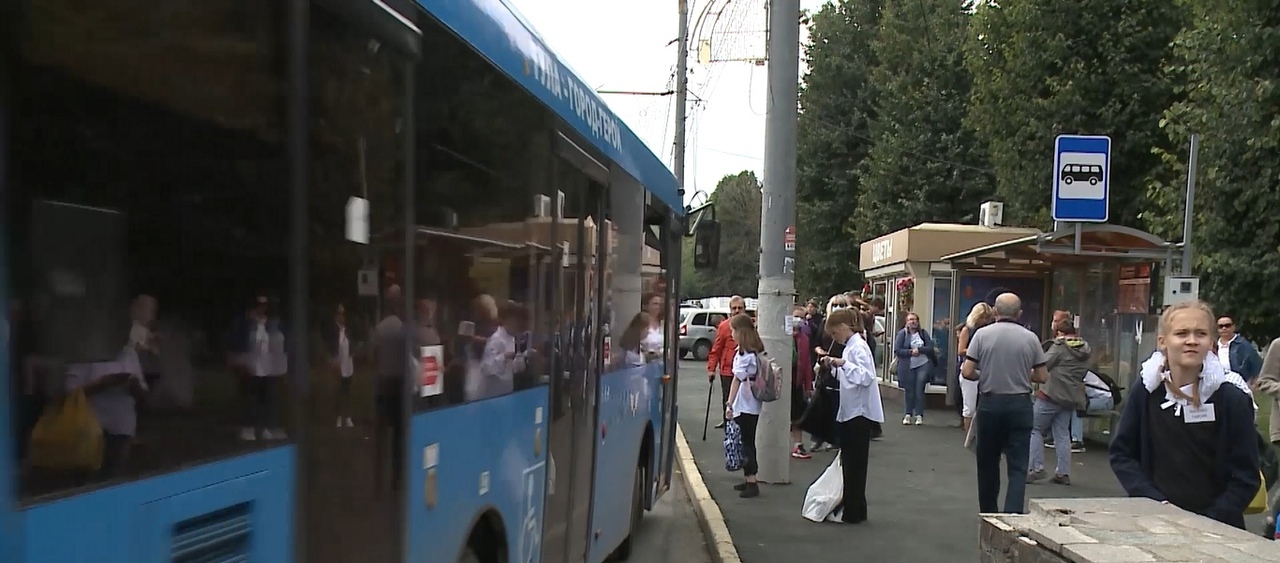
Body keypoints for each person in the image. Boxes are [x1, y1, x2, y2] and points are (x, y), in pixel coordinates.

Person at [1110, 300, 1260, 530]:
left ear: (1211, 342)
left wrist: (1213, 518)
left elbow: (1246, 474)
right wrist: (1153, 502)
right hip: (1155, 522)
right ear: (1163, 341)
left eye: (1200, 333)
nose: (1191, 341)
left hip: (1218, 528)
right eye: (1181, 333)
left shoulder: (1231, 398)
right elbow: (1122, 453)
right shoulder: (1146, 392)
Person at [961, 292, 1048, 514]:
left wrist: (988, 374)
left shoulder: (981, 335)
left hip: (991, 404)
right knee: (1018, 466)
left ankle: (989, 512)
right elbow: (1042, 376)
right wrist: (1020, 374)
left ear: (995, 312)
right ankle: (1013, 514)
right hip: (1020, 404)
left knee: (987, 463)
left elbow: (968, 371)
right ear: (1019, 313)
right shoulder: (1030, 338)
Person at [821, 307, 884, 523]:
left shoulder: (858, 348)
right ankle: (853, 507)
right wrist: (833, 368)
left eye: (835, 334)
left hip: (859, 412)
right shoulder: (851, 346)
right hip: (852, 409)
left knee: (855, 464)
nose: (835, 339)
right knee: (851, 462)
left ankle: (854, 509)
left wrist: (843, 364)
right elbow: (850, 378)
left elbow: (866, 377)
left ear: (842, 327)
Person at [1028, 319, 1090, 486]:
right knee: (1062, 433)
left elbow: (1043, 364)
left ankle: (1036, 467)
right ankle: (1063, 472)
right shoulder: (1085, 348)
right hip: (1070, 397)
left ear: (1060, 333)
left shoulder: (1060, 347)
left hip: (1051, 394)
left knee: (1034, 429)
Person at [724, 313, 765, 498]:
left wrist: (729, 404)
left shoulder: (743, 355)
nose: (731, 333)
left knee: (746, 443)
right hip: (753, 404)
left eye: (733, 330)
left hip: (744, 404)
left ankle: (752, 481)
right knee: (747, 441)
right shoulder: (755, 351)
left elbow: (736, 380)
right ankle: (749, 478)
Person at [708, 296, 748, 429]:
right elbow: (716, 349)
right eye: (734, 308)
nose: (737, 311)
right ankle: (729, 429)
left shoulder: (750, 326)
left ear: (744, 309)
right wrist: (711, 369)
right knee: (728, 400)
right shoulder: (724, 326)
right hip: (728, 371)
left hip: (746, 372)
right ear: (730, 310)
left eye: (740, 308)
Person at [957, 303, 995, 433]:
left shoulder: (991, 330)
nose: (984, 321)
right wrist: (977, 351)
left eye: (987, 318)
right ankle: (969, 435)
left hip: (987, 368)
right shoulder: (967, 329)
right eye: (982, 317)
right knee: (970, 407)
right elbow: (961, 350)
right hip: (970, 367)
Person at [894, 312, 935, 426]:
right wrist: (910, 352)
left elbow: (930, 348)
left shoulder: (923, 333)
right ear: (906, 322)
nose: (913, 322)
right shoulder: (903, 334)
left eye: (915, 319)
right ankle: (908, 414)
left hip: (923, 364)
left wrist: (920, 350)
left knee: (919, 389)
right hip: (908, 365)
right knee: (909, 389)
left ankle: (919, 415)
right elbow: (897, 350)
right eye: (910, 320)